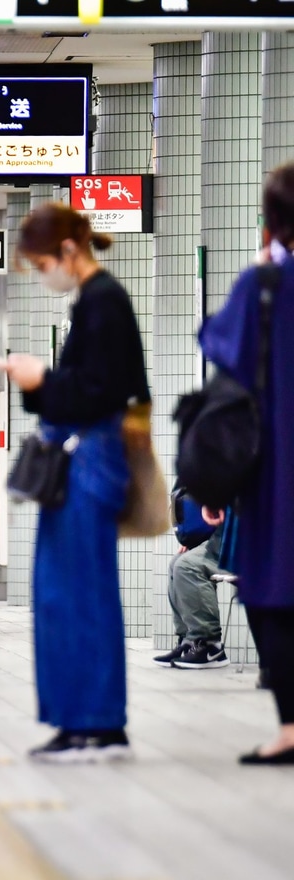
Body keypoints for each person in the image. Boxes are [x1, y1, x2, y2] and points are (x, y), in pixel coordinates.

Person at [0, 202, 149, 763]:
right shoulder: (98, 300)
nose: (43, 277)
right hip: (92, 458)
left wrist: (39, 380)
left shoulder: (103, 301)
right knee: (73, 591)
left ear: (67, 251)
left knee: (73, 593)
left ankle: (94, 722)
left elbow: (98, 391)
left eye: (40, 265)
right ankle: (87, 719)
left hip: (90, 459)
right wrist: (42, 383)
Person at [198, 162, 294, 765]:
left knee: (273, 589)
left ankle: (290, 728)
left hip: (277, 469)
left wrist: (217, 482)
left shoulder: (266, 285)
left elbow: (220, 347)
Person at [153, 512, 230, 670]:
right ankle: (190, 640)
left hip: (242, 540)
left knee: (187, 566)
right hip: (223, 534)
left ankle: (210, 644)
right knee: (176, 562)